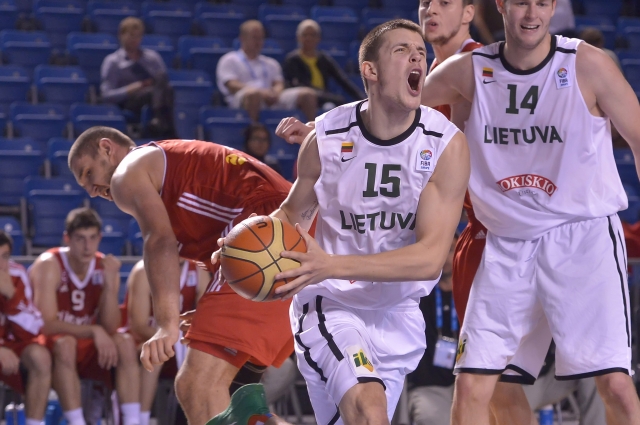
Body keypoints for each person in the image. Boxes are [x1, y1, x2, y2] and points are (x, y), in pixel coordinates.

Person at [219, 19, 470, 425]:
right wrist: (243, 244)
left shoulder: (445, 145)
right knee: (369, 410)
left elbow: (429, 259)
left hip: (398, 314)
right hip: (331, 303)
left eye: (420, 52)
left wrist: (331, 263)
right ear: (370, 70)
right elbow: (293, 215)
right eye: (402, 50)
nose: (417, 57)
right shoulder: (327, 136)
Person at [417, 0, 640, 423]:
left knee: (614, 385)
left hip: (582, 238)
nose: (532, 14)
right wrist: (323, 130)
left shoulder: (587, 64)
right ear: (501, 5)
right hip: (507, 244)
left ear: (554, 7)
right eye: (521, 2)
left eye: (541, 3)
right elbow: (395, 107)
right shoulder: (470, 69)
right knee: (473, 385)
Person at [67, 128, 295, 425]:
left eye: (88, 174)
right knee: (237, 402)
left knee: (196, 388)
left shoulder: (128, 171)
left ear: (107, 149)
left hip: (267, 236)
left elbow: (158, 241)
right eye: (84, 185)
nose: (91, 191)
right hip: (292, 235)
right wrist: (209, 313)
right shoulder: (167, 167)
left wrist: (166, 324)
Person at [29, 208, 141, 425]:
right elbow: (47, 325)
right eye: (80, 239)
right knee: (66, 345)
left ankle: (133, 421)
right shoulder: (49, 264)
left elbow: (111, 326)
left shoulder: (105, 266)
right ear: (67, 238)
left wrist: (109, 287)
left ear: (100, 238)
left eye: (92, 238)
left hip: (88, 343)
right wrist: (93, 330)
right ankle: (77, 421)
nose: (87, 246)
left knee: (126, 342)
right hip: (54, 343)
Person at [121, 259, 209, 425]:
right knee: (156, 352)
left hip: (181, 342)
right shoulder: (143, 271)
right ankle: (141, 419)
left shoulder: (198, 271)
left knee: (210, 356)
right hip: (146, 339)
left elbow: (204, 319)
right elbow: (139, 326)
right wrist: (171, 337)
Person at [216, 20, 317, 123]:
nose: (258, 42)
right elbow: (232, 85)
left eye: (261, 38)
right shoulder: (229, 59)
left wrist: (276, 93)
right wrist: (261, 93)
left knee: (307, 94)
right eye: (254, 38)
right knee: (254, 94)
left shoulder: (271, 63)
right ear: (243, 38)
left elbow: (278, 83)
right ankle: (254, 129)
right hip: (242, 98)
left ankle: (312, 129)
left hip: (270, 97)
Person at [406, 235, 459, 425]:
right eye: (440, 250)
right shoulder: (415, 293)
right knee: (430, 417)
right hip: (427, 385)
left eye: (450, 250)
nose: (445, 258)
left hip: (466, 383)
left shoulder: (472, 293)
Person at [0, 231, 51, 425]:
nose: (1, 265)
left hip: (13, 346)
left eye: (4, 257)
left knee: (40, 356)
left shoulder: (17, 274)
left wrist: (12, 297)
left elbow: (34, 329)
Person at [100, 17, 176, 138]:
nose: (134, 40)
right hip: (129, 100)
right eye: (131, 35)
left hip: (153, 96)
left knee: (164, 83)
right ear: (121, 35)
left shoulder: (152, 58)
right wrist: (132, 88)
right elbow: (107, 95)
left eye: (138, 36)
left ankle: (158, 120)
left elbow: (163, 83)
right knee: (160, 92)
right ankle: (167, 130)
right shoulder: (113, 61)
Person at [283, 19, 365, 111]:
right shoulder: (292, 60)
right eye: (305, 35)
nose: (309, 38)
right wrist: (325, 96)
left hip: (324, 99)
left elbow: (342, 80)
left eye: (313, 35)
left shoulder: (323, 59)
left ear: (318, 38)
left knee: (330, 107)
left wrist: (361, 98)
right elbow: (299, 84)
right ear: (298, 37)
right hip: (303, 101)